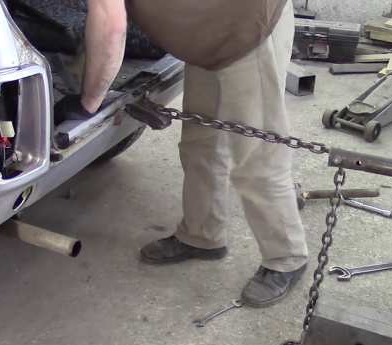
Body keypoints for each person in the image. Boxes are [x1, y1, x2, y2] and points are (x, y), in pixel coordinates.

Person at [64, 0, 308, 308]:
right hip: (207, 33)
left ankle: (287, 258)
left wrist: (88, 102)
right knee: (201, 142)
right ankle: (201, 235)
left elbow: (111, 27)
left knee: (257, 158)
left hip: (249, 27)